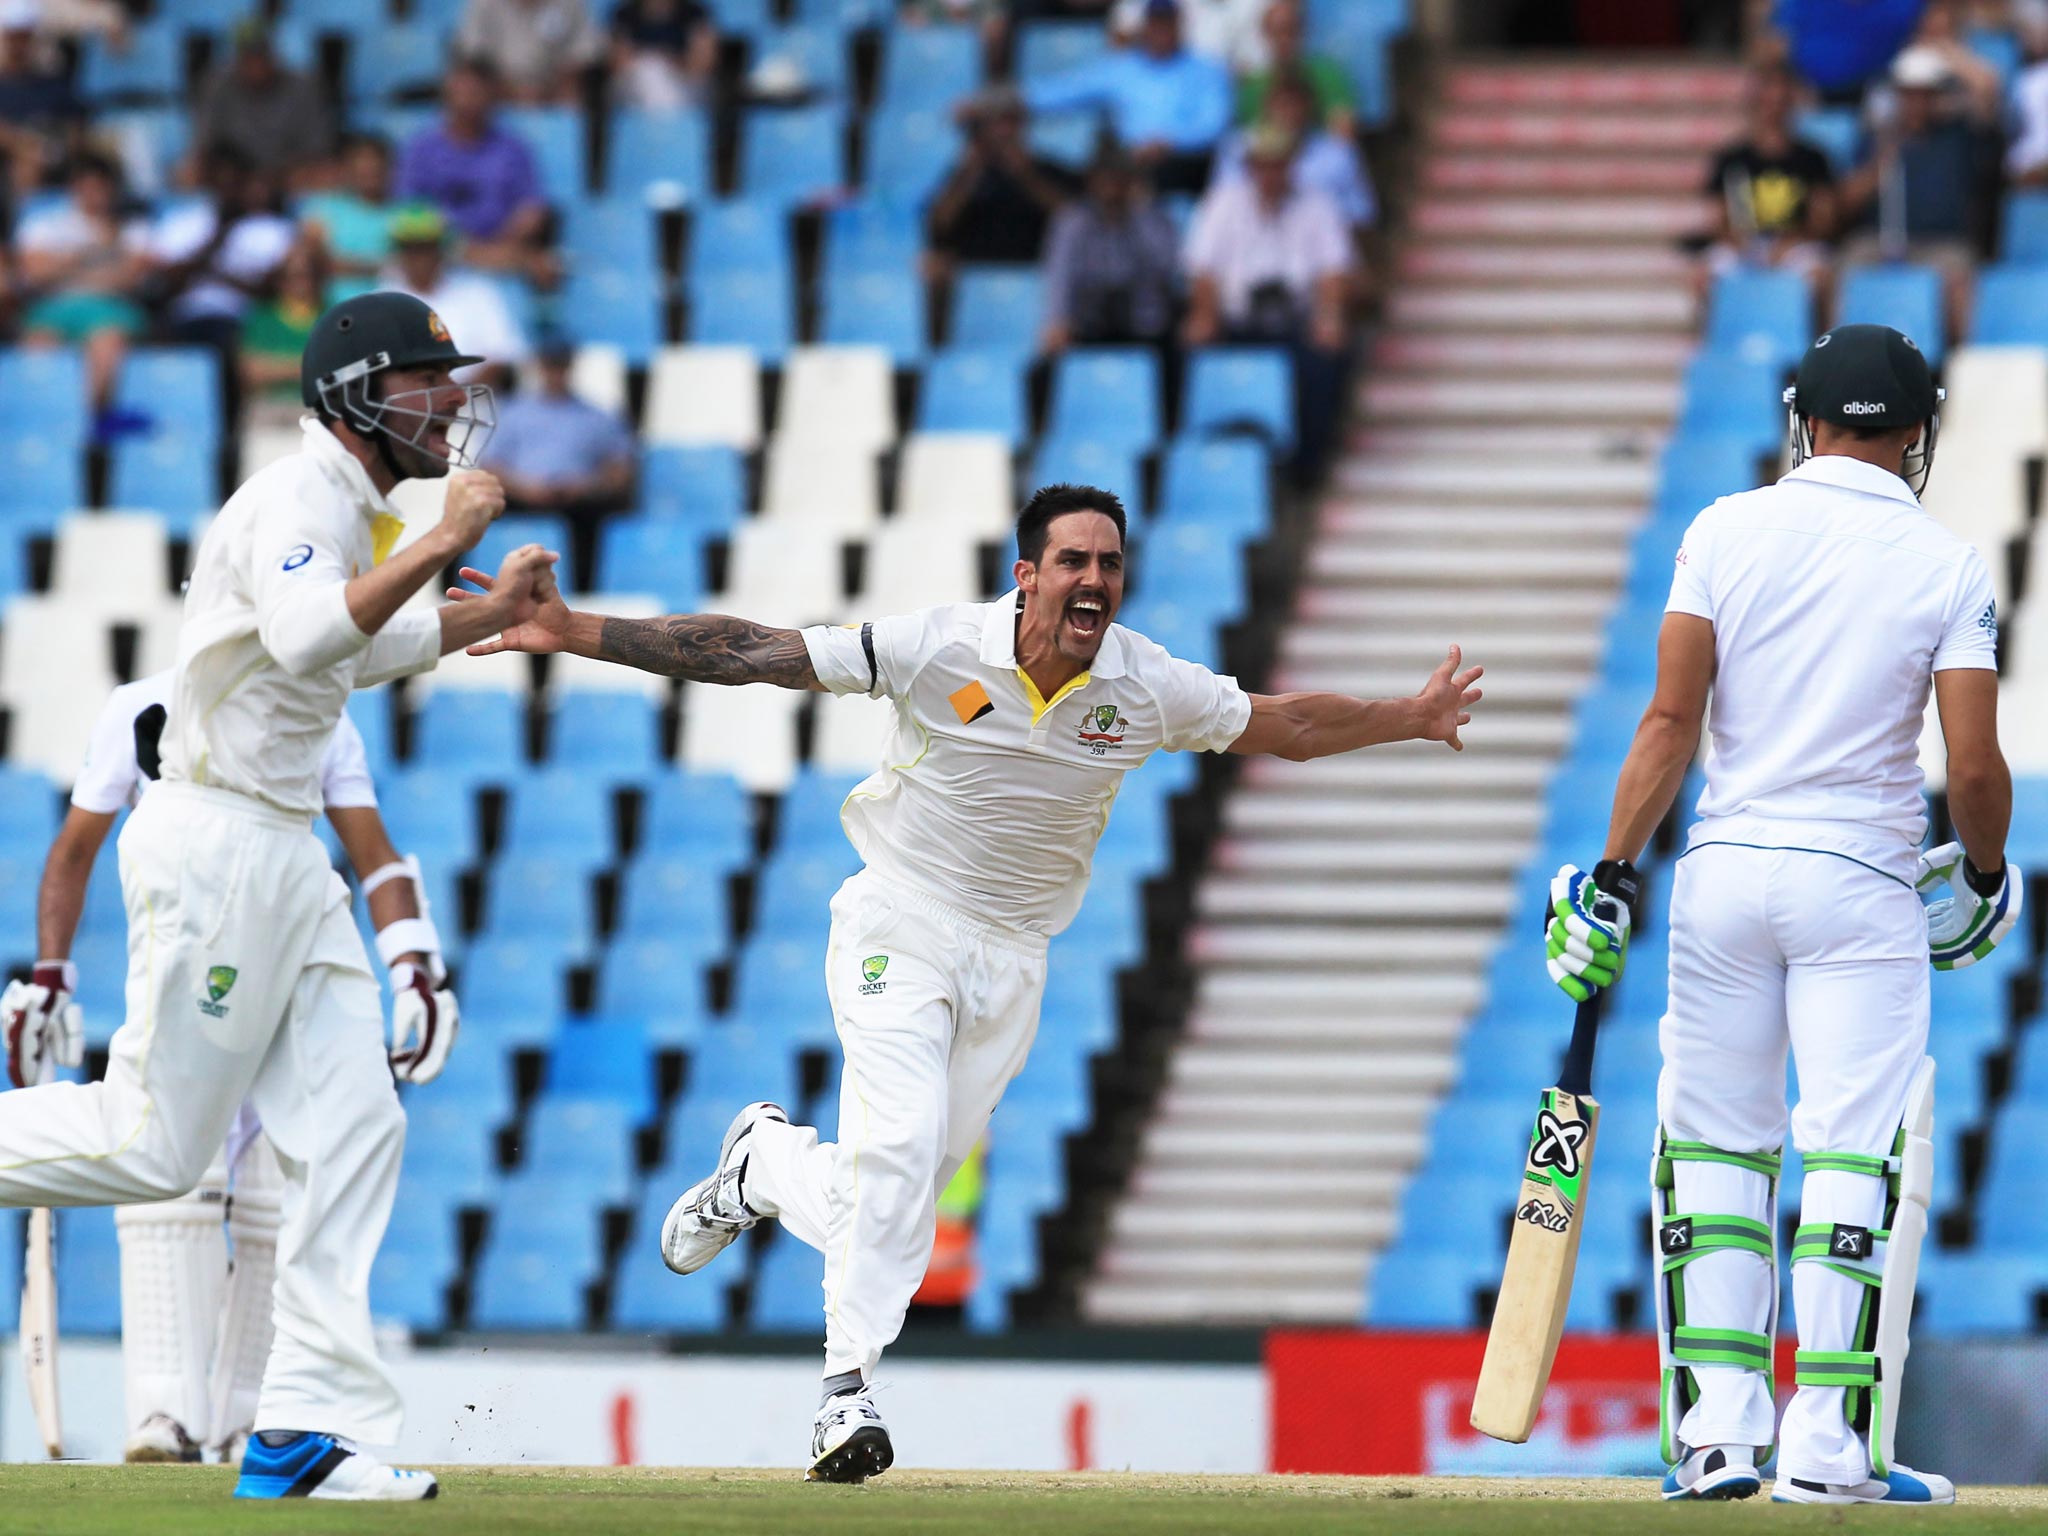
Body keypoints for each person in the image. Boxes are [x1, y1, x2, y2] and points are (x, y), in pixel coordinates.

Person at [454, 482, 1484, 1482]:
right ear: (1025, 576)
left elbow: (1288, 726)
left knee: (892, 1197)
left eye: (1110, 565)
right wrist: (577, 629)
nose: (1093, 580)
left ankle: (762, 1168)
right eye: (1072, 561)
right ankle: (843, 1389)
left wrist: (1410, 714)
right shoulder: (936, 646)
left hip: (1013, 961)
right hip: (898, 920)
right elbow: (751, 654)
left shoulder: (1143, 685)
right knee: (897, 1154)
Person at [0, 290, 554, 1502]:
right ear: (360, 396)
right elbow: (310, 638)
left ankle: (301, 1426)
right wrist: (443, 543)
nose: (453, 410)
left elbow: (356, 653)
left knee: (358, 1124)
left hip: (282, 854)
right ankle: (303, 1425)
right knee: (152, 1150)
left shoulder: (348, 510)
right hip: (215, 845)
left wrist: (486, 617)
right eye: (429, 385)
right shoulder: (299, 500)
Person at [1544, 325, 2005, 1506]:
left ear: (1803, 418)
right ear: (1915, 434)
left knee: (1708, 1149)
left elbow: (1666, 723)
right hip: (1856, 880)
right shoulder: (1944, 563)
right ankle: (1827, 1451)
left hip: (1721, 876)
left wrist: (1607, 869)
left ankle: (1712, 1439)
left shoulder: (1719, 529)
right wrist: (1988, 875)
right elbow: (1969, 771)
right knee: (1852, 1153)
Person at [18, 669, 459, 1464]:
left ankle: (255, 1422)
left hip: (283, 960)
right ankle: (165, 1415)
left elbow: (375, 854)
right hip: (187, 955)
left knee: (279, 1185)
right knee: (168, 1165)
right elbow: (73, 851)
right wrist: (51, 972)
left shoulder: (320, 716)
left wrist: (413, 962)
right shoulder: (141, 705)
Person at [1183, 122, 1352, 475]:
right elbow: (1202, 269)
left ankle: (1306, 469)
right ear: (1250, 167)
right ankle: (1208, 460)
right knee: (1192, 349)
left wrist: (1329, 317)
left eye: (1279, 164)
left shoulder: (1318, 205)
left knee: (1325, 360)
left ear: (1292, 164)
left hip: (1294, 322)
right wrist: (1204, 315)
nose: (1271, 173)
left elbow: (1333, 272)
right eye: (1264, 164)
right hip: (1237, 321)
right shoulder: (1224, 202)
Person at [1837, 45, 2004, 340]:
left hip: (1942, 245)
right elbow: (1846, 201)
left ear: (1938, 96)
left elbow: (1988, 90)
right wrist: (1882, 162)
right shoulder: (1877, 138)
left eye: (1925, 93)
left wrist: (1943, 48)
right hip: (1879, 242)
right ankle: (1835, 364)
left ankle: (1962, 368)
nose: (1916, 102)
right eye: (1908, 93)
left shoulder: (1961, 136)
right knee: (1846, 266)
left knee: (1959, 278)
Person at [1023, 0, 1233, 196]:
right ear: (1145, 25)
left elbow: (1214, 124)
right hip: (1129, 163)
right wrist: (1017, 98)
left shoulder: (1207, 70)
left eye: (1167, 21)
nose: (1161, 29)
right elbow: (1067, 91)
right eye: (1156, 21)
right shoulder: (1122, 68)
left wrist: (1169, 142)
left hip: (1186, 166)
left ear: (1180, 24)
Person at [16, 152, 149, 425]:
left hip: (108, 307)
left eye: (100, 187)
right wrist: (93, 257)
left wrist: (66, 269)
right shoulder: (46, 224)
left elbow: (129, 277)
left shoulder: (133, 227)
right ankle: (44, 423)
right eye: (87, 186)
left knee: (106, 343)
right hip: (55, 307)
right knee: (39, 345)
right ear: (74, 188)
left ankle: (80, 421)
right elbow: (35, 272)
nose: (94, 194)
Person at [394, 56, 555, 280]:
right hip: (440, 254)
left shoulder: (514, 149)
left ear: (492, 97)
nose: (466, 101)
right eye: (460, 93)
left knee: (543, 265)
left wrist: (500, 244)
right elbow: (410, 207)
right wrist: (460, 246)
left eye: (475, 93)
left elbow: (532, 211)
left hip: (504, 251)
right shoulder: (421, 148)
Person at [1697, 63, 1837, 295]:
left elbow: (1824, 220)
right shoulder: (1732, 158)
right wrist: (1743, 246)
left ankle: (1819, 332)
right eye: (1767, 101)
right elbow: (1718, 220)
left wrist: (1791, 243)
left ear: (1791, 104)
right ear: (1755, 103)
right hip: (1743, 246)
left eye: (1781, 102)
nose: (1773, 110)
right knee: (1704, 277)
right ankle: (1718, 331)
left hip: (1796, 247)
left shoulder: (1812, 158)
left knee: (1819, 277)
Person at [143, 147, 295, 357]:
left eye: (234, 180)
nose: (226, 187)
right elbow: (167, 283)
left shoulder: (271, 228)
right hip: (187, 316)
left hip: (242, 319)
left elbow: (272, 289)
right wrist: (218, 236)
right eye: (219, 179)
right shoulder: (185, 221)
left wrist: (215, 274)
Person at [1040, 141, 1179, 350]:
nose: (1112, 188)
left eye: (1119, 180)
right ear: (1092, 182)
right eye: (1106, 179)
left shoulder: (1152, 218)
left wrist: (1137, 213)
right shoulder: (1073, 221)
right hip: (1088, 324)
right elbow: (1060, 273)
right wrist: (1058, 319)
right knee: (1044, 368)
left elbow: (1167, 267)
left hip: (1143, 324)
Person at [379, 203, 531, 392]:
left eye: (427, 247)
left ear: (442, 248)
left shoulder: (478, 292)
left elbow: (500, 358)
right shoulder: (379, 302)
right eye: (410, 248)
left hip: (474, 404)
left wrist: (452, 397)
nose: (420, 256)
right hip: (405, 409)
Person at [480, 331, 635, 514]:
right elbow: (490, 467)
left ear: (571, 365)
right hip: (521, 506)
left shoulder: (598, 417)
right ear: (538, 365)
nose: (555, 372)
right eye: (550, 364)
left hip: (580, 508)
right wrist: (524, 489)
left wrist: (586, 486)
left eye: (561, 364)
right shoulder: (512, 413)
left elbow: (621, 470)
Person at [926, 85, 1074, 271]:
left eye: (1012, 120)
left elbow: (1072, 218)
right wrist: (969, 173)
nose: (1005, 130)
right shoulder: (964, 173)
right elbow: (939, 224)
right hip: (974, 270)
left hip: (1036, 269)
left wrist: (1026, 175)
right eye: (997, 121)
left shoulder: (1046, 170)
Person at [1213, 68, 1375, 236]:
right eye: (1282, 104)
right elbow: (1224, 203)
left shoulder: (1339, 152)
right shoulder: (1237, 147)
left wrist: (1317, 223)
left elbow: (1361, 214)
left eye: (1296, 104)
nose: (1289, 112)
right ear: (1267, 107)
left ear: (1310, 107)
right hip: (1251, 241)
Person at [189, 20, 335, 188]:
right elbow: (205, 145)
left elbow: (318, 148)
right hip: (235, 173)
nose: (255, 64)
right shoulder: (217, 85)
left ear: (272, 55)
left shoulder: (303, 86)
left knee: (325, 175)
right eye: (248, 57)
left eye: (260, 55)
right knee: (189, 174)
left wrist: (281, 172)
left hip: (288, 170)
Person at [297, 134, 397, 301]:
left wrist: (347, 265)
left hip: (391, 307)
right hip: (335, 307)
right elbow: (315, 262)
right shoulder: (322, 210)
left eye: (376, 167)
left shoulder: (404, 212)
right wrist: (379, 266)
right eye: (363, 166)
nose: (370, 171)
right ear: (349, 169)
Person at [1235, 0, 1355, 137]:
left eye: (1291, 30)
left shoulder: (1328, 74)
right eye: (1277, 32)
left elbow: (1344, 134)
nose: (1284, 39)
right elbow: (1250, 141)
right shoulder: (1253, 86)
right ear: (1265, 34)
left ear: (1303, 30)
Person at [239, 241, 330, 419]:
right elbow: (251, 374)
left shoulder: (332, 316)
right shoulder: (262, 318)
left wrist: (277, 367)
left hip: (320, 410)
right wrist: (309, 369)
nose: (298, 282)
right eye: (288, 275)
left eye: (305, 274)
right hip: (270, 410)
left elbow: (341, 371)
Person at [0, 0, 80, 196]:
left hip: (54, 150)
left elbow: (75, 126)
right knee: (26, 164)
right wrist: (24, 145)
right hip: (15, 158)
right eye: (15, 37)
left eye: (25, 37)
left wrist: (55, 149)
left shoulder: (52, 83)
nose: (20, 44)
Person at [456, 0, 606, 103]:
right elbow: (474, 56)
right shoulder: (484, 4)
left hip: (555, 89)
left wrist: (553, 88)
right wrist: (512, 91)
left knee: (575, 92)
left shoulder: (570, 3)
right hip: (498, 89)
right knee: (470, 88)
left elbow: (587, 51)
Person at [609, 0, 716, 113]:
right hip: (636, 86)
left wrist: (668, 65)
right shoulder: (625, 14)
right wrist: (653, 62)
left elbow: (702, 63)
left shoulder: (695, 13)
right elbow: (619, 65)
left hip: (683, 84)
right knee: (648, 72)